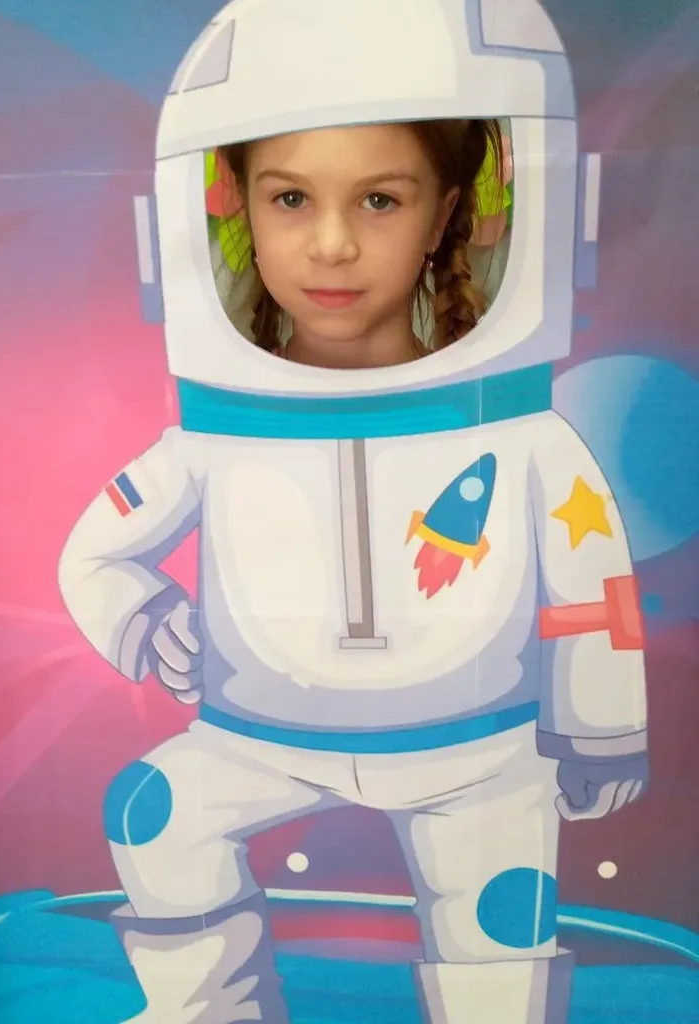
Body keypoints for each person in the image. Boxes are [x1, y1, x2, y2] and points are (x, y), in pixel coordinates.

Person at [59, 2, 648, 1022]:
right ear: (234, 209)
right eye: (291, 198)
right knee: (157, 817)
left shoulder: (522, 434)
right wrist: (145, 620)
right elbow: (94, 558)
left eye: (379, 199)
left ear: (446, 213)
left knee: (500, 936)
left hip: (477, 755)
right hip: (259, 738)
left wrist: (601, 729)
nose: (330, 245)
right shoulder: (216, 435)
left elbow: (595, 585)